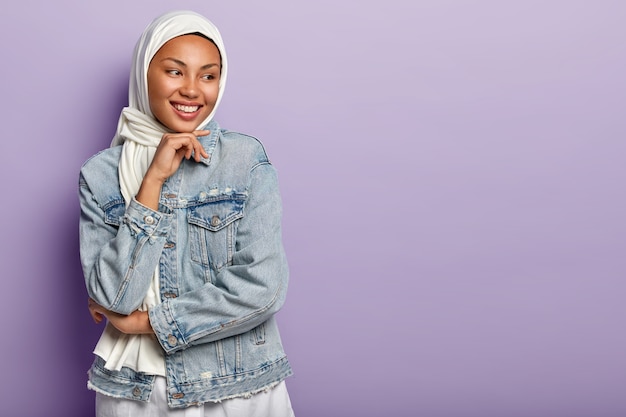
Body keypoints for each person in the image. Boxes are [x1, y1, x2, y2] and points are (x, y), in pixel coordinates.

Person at [79, 10, 295, 416]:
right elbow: (112, 296)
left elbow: (263, 287)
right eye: (175, 72)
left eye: (208, 75)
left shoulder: (244, 161)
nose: (194, 90)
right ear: (144, 73)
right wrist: (151, 183)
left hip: (238, 385)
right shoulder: (101, 174)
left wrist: (149, 324)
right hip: (135, 392)